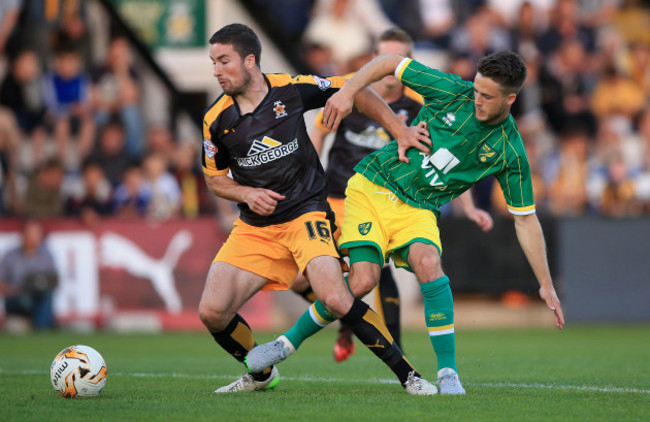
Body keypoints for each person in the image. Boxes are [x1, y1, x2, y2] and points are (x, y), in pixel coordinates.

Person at [247, 50, 565, 395]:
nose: (477, 100)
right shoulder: (450, 90)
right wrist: (348, 91)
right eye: (476, 90)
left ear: (510, 99)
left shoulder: (510, 149)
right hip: (373, 186)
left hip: (419, 206)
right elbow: (388, 61)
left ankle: (448, 373)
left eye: (487, 97)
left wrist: (545, 284)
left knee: (430, 263)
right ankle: (285, 345)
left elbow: (526, 220)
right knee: (361, 282)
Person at [198, 23, 437, 395]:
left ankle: (410, 376)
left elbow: (357, 90)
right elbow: (215, 179)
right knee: (211, 311)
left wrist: (400, 131)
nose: (216, 71)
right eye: (213, 62)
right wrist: (245, 194)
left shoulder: (290, 89)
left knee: (337, 297)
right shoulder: (216, 120)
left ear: (249, 61)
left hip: (305, 213)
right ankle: (261, 375)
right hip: (255, 225)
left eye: (223, 61)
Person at [295, 28, 493, 362]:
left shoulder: (419, 106)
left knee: (376, 270)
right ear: (375, 59)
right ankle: (347, 317)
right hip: (335, 199)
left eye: (396, 57)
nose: (388, 66)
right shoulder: (353, 92)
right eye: (383, 56)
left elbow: (448, 159)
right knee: (300, 280)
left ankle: (396, 356)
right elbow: (320, 134)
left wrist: (469, 208)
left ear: (407, 62)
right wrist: (308, 182)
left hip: (386, 201)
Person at [0, 219, 58, 331]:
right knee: (26, 299)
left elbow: (54, 280)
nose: (34, 237)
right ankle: (40, 327)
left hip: (40, 295)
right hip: (17, 297)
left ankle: (42, 329)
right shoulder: (10, 256)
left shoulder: (46, 256)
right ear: (23, 234)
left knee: (46, 296)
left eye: (37, 233)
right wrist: (12, 289)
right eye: (31, 233)